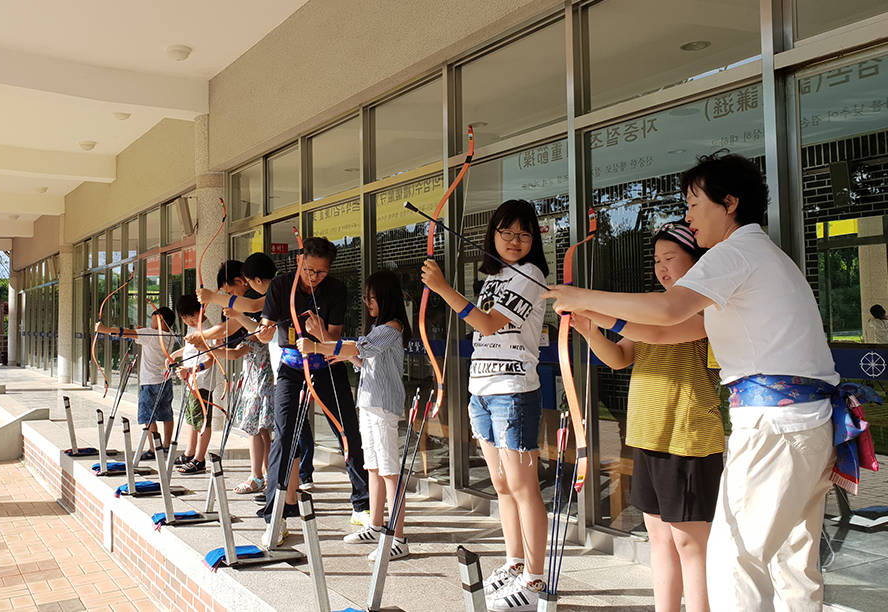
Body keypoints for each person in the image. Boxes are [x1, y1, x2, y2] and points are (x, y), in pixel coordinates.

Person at [543, 152, 839, 611]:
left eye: (694, 204)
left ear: (730, 203)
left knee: (734, 559)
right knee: (791, 563)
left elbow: (666, 311)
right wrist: (591, 315)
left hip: (774, 428)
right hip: (804, 426)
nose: (689, 217)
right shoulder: (757, 257)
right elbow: (666, 331)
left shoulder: (734, 252)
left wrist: (580, 294)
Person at [568, 221, 722, 612]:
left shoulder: (708, 307)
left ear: (697, 261)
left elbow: (660, 330)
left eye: (671, 258)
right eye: (657, 260)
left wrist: (596, 308)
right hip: (645, 435)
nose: (661, 267)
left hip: (687, 436)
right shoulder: (654, 307)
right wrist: (589, 330)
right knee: (659, 539)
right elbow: (620, 358)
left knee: (690, 544)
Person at [421, 199, 549, 612]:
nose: (514, 241)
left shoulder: (530, 274)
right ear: (492, 234)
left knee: (522, 485)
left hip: (513, 390)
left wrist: (443, 289)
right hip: (482, 391)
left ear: (534, 240)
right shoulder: (495, 277)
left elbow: (489, 323)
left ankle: (534, 578)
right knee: (501, 484)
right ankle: (515, 564)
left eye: (524, 233)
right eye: (506, 232)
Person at [256, 237, 370, 546]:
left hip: (328, 366)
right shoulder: (281, 286)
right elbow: (267, 322)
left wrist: (319, 335)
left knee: (348, 431)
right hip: (292, 369)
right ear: (298, 261)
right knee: (283, 436)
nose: (314, 277)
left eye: (320, 272)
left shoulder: (336, 290)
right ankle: (276, 515)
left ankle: (363, 504)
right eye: (309, 270)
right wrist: (266, 328)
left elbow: (333, 338)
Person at [298, 270, 413, 561]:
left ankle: (397, 537)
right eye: (366, 298)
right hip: (370, 404)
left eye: (372, 298)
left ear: (386, 297)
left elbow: (361, 348)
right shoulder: (379, 328)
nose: (368, 303)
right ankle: (375, 525)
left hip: (383, 406)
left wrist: (319, 344)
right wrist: (333, 347)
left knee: (388, 471)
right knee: (373, 467)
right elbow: (361, 358)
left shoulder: (392, 327)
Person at [199, 259, 315, 491]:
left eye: (246, 284)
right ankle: (277, 479)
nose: (248, 288)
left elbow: (250, 311)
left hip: (287, 365)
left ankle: (296, 476)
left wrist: (212, 298)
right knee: (276, 426)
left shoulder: (279, 288)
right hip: (278, 366)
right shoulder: (276, 290)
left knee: (291, 425)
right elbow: (258, 329)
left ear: (253, 280)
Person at [205, 253, 278, 494]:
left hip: (264, 373)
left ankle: (259, 475)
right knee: (258, 427)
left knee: (256, 426)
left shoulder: (258, 300)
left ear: (247, 280)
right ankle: (264, 474)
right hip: (254, 374)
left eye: (231, 291)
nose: (234, 298)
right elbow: (237, 346)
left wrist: (214, 301)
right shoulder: (253, 301)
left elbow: (255, 330)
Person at [96, 306, 177, 459]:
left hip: (150, 382)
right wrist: (143, 330)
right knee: (166, 414)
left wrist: (104, 329)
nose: (150, 322)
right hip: (165, 380)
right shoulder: (170, 335)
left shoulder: (150, 334)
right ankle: (166, 445)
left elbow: (124, 332)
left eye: (152, 319)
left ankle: (154, 449)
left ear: (159, 319)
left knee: (148, 416)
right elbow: (148, 334)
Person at [168, 294, 216, 475]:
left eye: (192, 317)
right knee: (191, 418)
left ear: (201, 311)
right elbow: (189, 349)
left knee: (202, 421)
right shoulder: (192, 329)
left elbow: (212, 359)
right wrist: (174, 355)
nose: (189, 321)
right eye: (184, 318)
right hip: (190, 382)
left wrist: (190, 371)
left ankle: (200, 459)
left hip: (201, 382)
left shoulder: (209, 329)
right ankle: (190, 453)